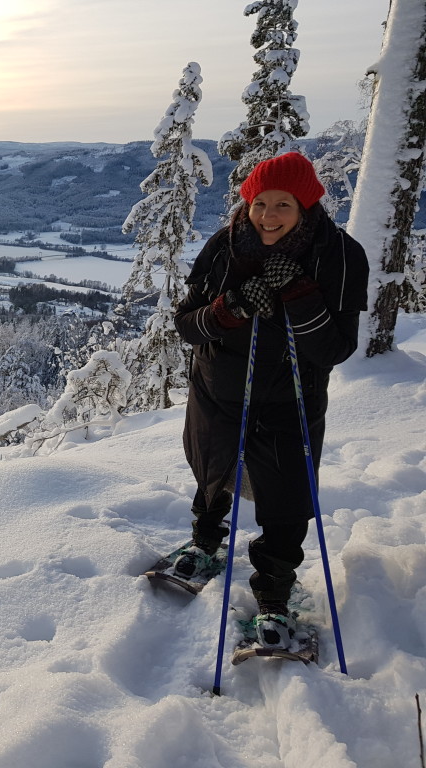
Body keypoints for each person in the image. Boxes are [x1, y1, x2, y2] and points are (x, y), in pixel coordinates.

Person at [172, 152, 370, 648]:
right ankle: (205, 541)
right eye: (260, 202)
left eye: (284, 203)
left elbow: (335, 348)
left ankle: (275, 593)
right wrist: (230, 308)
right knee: (214, 469)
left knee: (286, 498)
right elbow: (186, 324)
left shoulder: (340, 255)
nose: (269, 215)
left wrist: (298, 293)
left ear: (306, 206)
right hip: (219, 388)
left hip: (291, 399)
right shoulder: (224, 247)